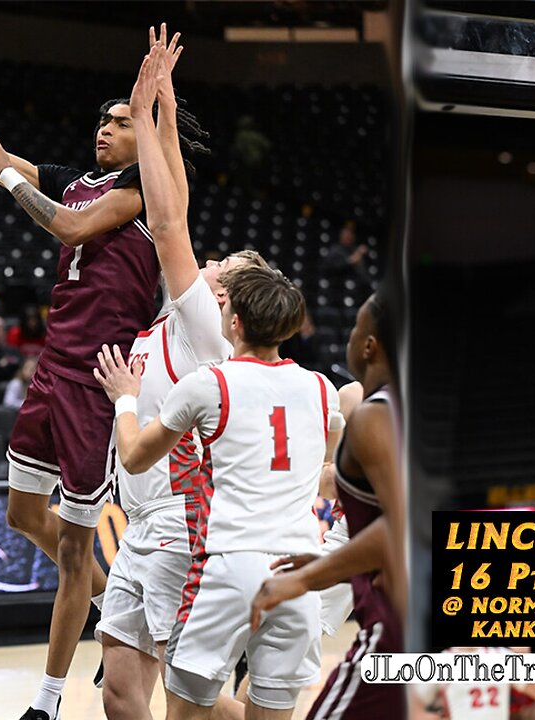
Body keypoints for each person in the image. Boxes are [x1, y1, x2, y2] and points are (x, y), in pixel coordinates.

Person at [0, 28, 212, 718]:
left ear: (142, 135)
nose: (102, 131)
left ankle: (46, 700)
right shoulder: (80, 178)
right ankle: (111, 591)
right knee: (24, 514)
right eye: (101, 122)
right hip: (52, 368)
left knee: (74, 547)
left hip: (97, 381)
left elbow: (70, 228)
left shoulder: (146, 189)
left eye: (117, 122)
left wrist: (12, 172)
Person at [90, 32, 261, 719]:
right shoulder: (178, 317)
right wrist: (161, 106)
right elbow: (178, 208)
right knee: (121, 689)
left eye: (224, 266)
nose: (209, 262)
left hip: (178, 523)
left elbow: (168, 223)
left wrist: (149, 107)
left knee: (192, 695)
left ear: (229, 296)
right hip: (141, 523)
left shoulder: (209, 327)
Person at [96, 261, 341, 720]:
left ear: (235, 320)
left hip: (229, 562)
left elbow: (132, 456)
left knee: (186, 711)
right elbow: (331, 461)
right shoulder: (322, 389)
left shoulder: (210, 382)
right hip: (300, 569)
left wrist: (125, 398)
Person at [250, 292, 406, 719]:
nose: (349, 338)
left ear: (369, 345)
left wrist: (308, 577)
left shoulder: (375, 413)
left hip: (395, 609)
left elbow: (399, 527)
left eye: (355, 328)